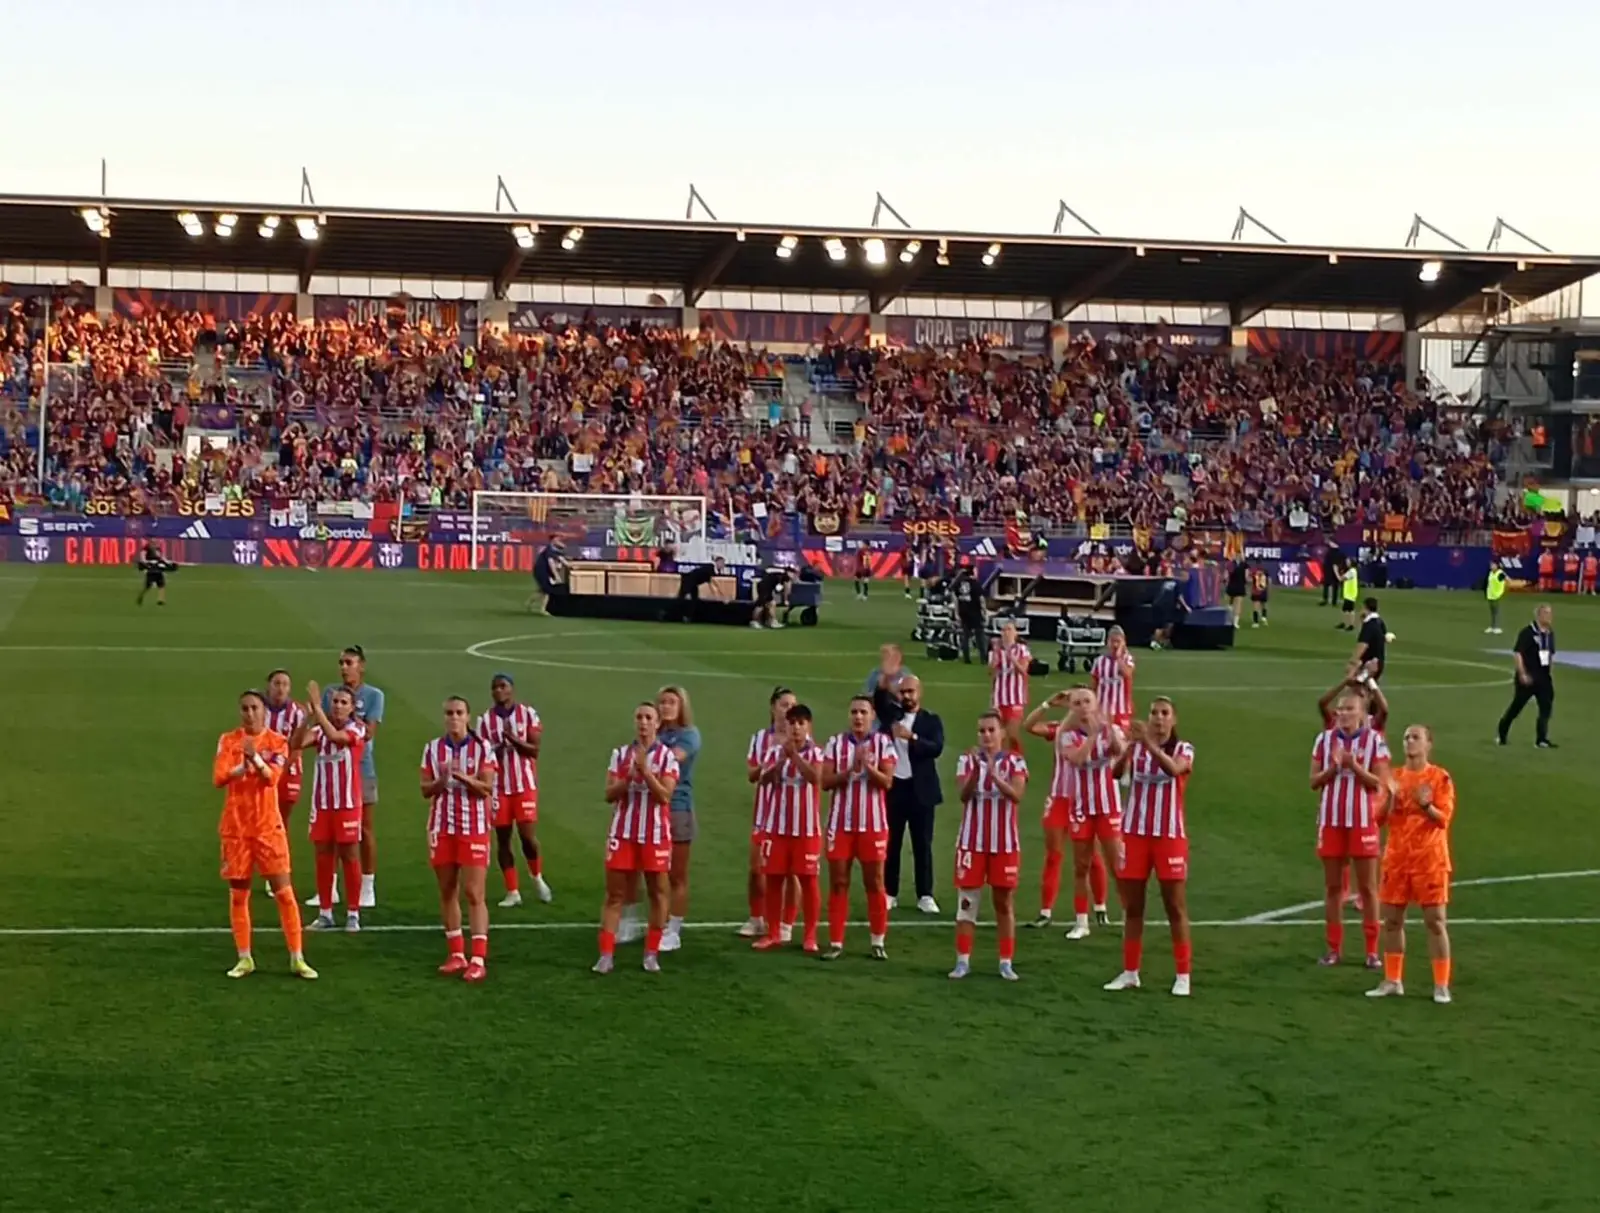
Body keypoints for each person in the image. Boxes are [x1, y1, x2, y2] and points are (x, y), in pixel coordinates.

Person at [212, 691, 315, 980]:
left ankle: (297, 958)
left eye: (254, 708)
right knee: (238, 895)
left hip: (268, 828)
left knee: (284, 893)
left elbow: (272, 778)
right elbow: (218, 778)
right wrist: (241, 767)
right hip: (236, 828)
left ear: (264, 711)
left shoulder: (277, 742)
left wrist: (255, 759)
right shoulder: (228, 740)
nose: (249, 713)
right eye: (244, 708)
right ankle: (244, 958)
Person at [1104, 698, 1195, 996]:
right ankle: (1130, 972)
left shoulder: (1183, 749)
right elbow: (1115, 774)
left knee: (1174, 906)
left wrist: (1149, 745)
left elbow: (1173, 770)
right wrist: (1130, 747)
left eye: (1164, 713)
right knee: (1133, 906)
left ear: (1174, 719)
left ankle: (1183, 975)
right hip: (1135, 835)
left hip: (1169, 836)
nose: (1158, 718)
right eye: (1154, 713)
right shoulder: (1138, 748)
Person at [1368, 724, 1456, 1004]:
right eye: (1406, 737)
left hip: (1430, 861)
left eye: (1416, 737)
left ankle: (1441, 985)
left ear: (1429, 744)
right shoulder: (1393, 778)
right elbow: (1377, 819)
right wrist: (1391, 799)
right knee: (1392, 921)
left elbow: (1444, 819)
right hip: (1397, 860)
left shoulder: (1439, 778)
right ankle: (1393, 980)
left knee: (1435, 922)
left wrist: (1427, 806)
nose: (1409, 741)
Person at [594, 702, 680, 974]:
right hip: (623, 834)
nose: (643, 722)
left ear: (657, 724)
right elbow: (609, 794)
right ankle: (606, 956)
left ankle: (651, 954)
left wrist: (645, 772)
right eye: (639, 717)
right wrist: (629, 777)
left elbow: (665, 796)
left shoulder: (667, 757)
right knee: (615, 894)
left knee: (658, 892)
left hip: (655, 835)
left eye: (648, 718)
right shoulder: (620, 754)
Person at [1310, 688, 1391, 968]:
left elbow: (1378, 783)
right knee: (1333, 887)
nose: (1343, 714)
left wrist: (1353, 766)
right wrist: (1333, 769)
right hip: (1331, 820)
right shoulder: (1324, 740)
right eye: (1340, 709)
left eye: (1349, 709)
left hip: (1363, 821)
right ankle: (1333, 949)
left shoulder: (1374, 741)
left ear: (1362, 713)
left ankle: (1372, 951)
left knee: (1368, 888)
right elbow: (1313, 781)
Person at [419, 697, 497, 981]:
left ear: (468, 717)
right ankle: (456, 954)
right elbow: (425, 789)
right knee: (447, 890)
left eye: (459, 712)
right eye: (449, 713)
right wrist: (441, 781)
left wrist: (462, 777)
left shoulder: (482, 748)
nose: (454, 717)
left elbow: (486, 787)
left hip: (473, 826)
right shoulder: (432, 749)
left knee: (474, 892)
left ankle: (478, 958)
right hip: (441, 827)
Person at [950, 711, 1029, 981]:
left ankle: (1005, 962)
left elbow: (1016, 795)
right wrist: (977, 772)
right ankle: (962, 961)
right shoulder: (966, 760)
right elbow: (963, 795)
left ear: (1002, 733)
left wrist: (995, 777)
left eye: (991, 730)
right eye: (981, 731)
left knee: (1003, 903)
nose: (986, 736)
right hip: (971, 843)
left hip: (1004, 844)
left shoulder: (1015, 762)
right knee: (967, 902)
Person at [820, 697, 898, 961]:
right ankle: (836, 942)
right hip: (840, 825)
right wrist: (850, 770)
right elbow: (825, 782)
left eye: (863, 712)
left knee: (874, 882)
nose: (858, 717)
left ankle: (878, 941)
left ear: (872, 715)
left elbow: (887, 782)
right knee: (838, 882)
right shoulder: (835, 743)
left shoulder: (883, 743)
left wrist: (868, 768)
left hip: (873, 826)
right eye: (854, 712)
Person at [314, 646, 384, 910]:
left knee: (364, 829)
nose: (344, 667)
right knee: (328, 833)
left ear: (361, 666)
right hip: (332, 773)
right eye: (341, 662)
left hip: (361, 769)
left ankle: (368, 886)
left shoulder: (374, 695)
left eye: (349, 662)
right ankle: (329, 889)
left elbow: (369, 733)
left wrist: (348, 719)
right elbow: (322, 726)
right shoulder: (330, 693)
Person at [474, 673, 551, 909]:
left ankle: (537, 877)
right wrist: (497, 748)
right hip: (498, 787)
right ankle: (512, 890)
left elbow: (534, 750)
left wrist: (511, 738)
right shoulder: (484, 721)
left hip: (523, 785)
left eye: (503, 686)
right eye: (494, 687)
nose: (498, 691)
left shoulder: (527, 714)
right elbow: (482, 755)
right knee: (503, 839)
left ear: (511, 689)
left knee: (527, 837)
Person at [1056, 687, 1127, 940]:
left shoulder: (1111, 729)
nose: (1083, 707)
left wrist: (1108, 730)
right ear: (1071, 708)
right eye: (1077, 703)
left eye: (1087, 701)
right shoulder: (1067, 735)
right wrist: (1093, 735)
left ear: (1095, 705)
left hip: (1108, 807)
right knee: (1081, 865)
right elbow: (1077, 759)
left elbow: (1120, 752)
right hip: (1081, 808)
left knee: (1117, 865)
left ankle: (1129, 916)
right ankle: (1081, 921)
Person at [753, 703, 824, 953]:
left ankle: (810, 936)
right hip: (777, 828)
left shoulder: (816, 753)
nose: (796, 728)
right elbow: (763, 780)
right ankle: (773, 933)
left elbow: (816, 778)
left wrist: (794, 757)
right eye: (792, 723)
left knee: (808, 882)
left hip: (806, 830)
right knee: (774, 880)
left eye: (801, 723)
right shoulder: (775, 752)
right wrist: (781, 762)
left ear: (808, 726)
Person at [302, 682, 367, 933]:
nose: (338, 706)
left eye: (343, 703)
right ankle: (325, 912)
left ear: (351, 708)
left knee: (349, 855)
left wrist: (318, 709)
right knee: (323, 857)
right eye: (335, 702)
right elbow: (296, 743)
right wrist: (306, 718)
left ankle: (353, 913)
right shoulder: (319, 730)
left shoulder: (357, 729)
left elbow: (336, 737)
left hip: (347, 804)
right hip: (322, 804)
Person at [742, 687, 801, 939]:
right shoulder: (760, 738)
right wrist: (770, 763)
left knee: (791, 871)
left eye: (792, 705)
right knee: (756, 869)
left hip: (792, 815)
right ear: (773, 708)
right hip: (764, 814)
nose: (789, 710)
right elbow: (751, 774)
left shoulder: (802, 738)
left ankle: (787, 923)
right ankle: (756, 918)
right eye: (784, 705)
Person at [885, 674, 944, 914]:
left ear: (920, 692)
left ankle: (925, 895)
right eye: (903, 692)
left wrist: (912, 738)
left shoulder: (930, 720)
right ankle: (890, 892)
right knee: (892, 843)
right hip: (895, 788)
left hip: (921, 790)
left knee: (922, 844)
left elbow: (936, 747)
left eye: (911, 691)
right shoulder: (890, 719)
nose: (907, 696)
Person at [655, 685, 701, 952]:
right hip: (652, 808)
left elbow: (669, 761)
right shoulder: (656, 732)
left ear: (682, 706)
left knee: (677, 874)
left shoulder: (689, 735)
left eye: (672, 702)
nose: (666, 707)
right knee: (654, 872)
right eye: (662, 702)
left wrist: (645, 754)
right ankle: (655, 924)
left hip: (678, 808)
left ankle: (673, 931)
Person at [1498, 604, 1558, 748]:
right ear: (1539, 615)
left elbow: (1550, 653)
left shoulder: (1550, 633)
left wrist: (1550, 671)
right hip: (1529, 676)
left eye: (1550, 613)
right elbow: (1518, 653)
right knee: (1516, 707)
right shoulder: (1528, 633)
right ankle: (1502, 734)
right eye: (1546, 613)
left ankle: (1541, 739)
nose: (1550, 616)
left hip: (1544, 677)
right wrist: (1522, 673)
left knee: (1546, 708)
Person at [263, 669, 308, 831]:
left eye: (285, 684)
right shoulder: (259, 709)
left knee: (281, 817)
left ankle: (281, 846)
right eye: (277, 683)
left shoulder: (298, 712)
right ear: (268, 686)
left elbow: (298, 747)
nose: (280, 688)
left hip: (289, 769)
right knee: (263, 814)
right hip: (263, 768)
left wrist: (282, 767)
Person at [988, 622, 1032, 753]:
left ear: (1015, 633)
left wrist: (1011, 657)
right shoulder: (995, 651)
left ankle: (1017, 759)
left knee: (1013, 734)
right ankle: (1000, 760)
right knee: (999, 736)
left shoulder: (1021, 649)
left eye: (1009, 629)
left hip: (1015, 698)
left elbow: (1023, 670)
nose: (1006, 632)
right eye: (1004, 630)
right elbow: (991, 673)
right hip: (999, 698)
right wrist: (995, 658)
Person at [952, 564, 985, 663]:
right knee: (979, 636)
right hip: (975, 612)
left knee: (965, 636)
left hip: (963, 611)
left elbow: (955, 598)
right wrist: (984, 611)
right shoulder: (975, 583)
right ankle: (983, 658)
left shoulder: (959, 583)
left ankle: (966, 658)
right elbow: (981, 598)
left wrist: (956, 612)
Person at [1350, 597, 1388, 682]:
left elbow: (1363, 645)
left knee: (1357, 686)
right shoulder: (1380, 622)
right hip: (1379, 662)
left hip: (1369, 665)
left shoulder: (1369, 625)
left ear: (1365, 608)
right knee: (1369, 687)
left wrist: (1353, 662)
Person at [528, 537, 569, 615]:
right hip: (541, 572)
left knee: (543, 590)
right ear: (553, 541)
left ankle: (529, 603)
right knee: (548, 590)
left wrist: (570, 565)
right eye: (558, 540)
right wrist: (556, 576)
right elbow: (551, 564)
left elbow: (562, 559)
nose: (560, 542)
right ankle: (542, 609)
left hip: (544, 572)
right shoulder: (549, 550)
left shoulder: (555, 550)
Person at [135, 540, 176, 607]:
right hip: (151, 568)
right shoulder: (147, 547)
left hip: (158, 567)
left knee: (161, 584)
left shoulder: (158, 548)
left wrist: (168, 563)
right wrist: (145, 563)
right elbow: (143, 555)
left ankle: (161, 600)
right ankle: (141, 596)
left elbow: (162, 557)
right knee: (148, 586)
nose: (155, 541)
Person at [1484, 566, 1508, 635]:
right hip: (1490, 595)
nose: (1492, 566)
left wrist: (1501, 591)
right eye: (1491, 565)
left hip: (1496, 595)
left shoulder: (1500, 573)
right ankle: (1492, 627)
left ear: (1497, 566)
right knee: (1492, 612)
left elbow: (1506, 581)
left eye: (1493, 565)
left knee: (1496, 612)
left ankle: (1497, 627)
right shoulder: (1491, 573)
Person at [1226, 558, 1248, 628]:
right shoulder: (1245, 565)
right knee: (1238, 604)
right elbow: (1246, 577)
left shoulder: (1230, 564)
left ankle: (1229, 620)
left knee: (1230, 603)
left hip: (1231, 585)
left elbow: (1226, 576)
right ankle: (1235, 623)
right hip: (1240, 586)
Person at [1338, 560, 1359, 631]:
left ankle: (1351, 625)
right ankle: (1344, 623)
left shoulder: (1351, 571)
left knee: (1350, 610)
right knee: (1345, 609)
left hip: (1350, 594)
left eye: (1348, 562)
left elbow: (1341, 579)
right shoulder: (1352, 571)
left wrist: (1336, 572)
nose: (1347, 563)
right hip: (1349, 593)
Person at [1249, 562, 1271, 628]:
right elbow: (1269, 581)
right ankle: (1264, 618)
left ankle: (1256, 622)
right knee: (1264, 605)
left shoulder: (1254, 571)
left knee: (1256, 607)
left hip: (1256, 591)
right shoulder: (1265, 570)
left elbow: (1249, 580)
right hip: (1263, 590)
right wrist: (1268, 590)